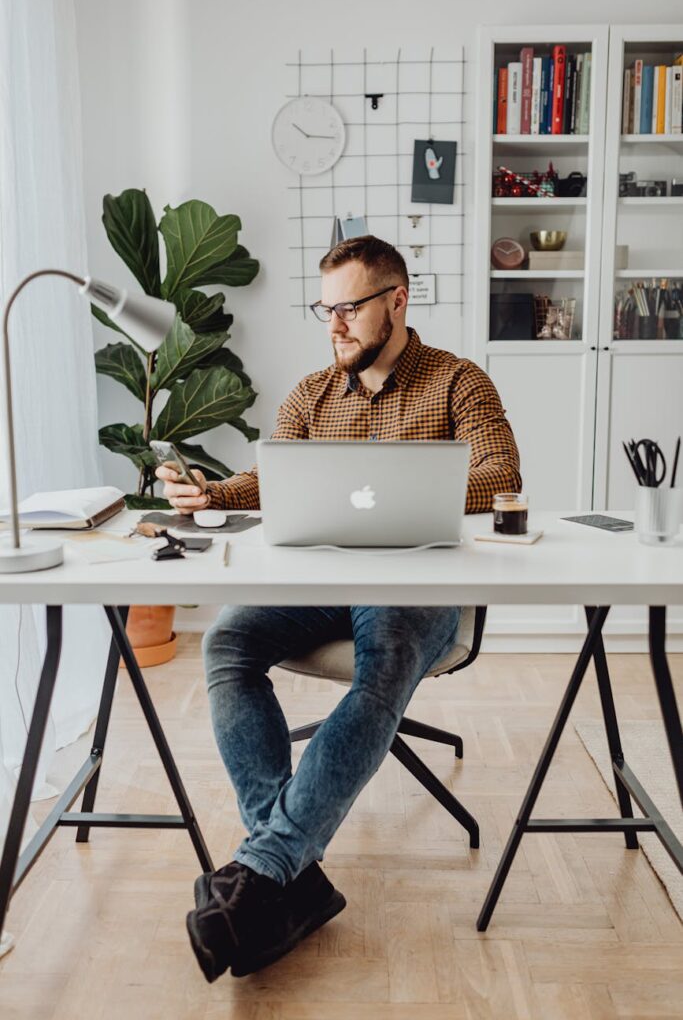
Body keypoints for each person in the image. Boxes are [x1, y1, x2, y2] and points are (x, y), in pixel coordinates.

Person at [156, 235, 522, 982]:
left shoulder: (457, 381)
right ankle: (285, 873)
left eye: (350, 308)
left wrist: (410, 489)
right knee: (226, 642)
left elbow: (501, 475)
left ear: (396, 300)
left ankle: (264, 871)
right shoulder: (312, 393)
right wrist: (210, 493)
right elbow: (267, 481)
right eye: (326, 310)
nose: (335, 327)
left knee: (382, 660)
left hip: (416, 581)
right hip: (322, 579)